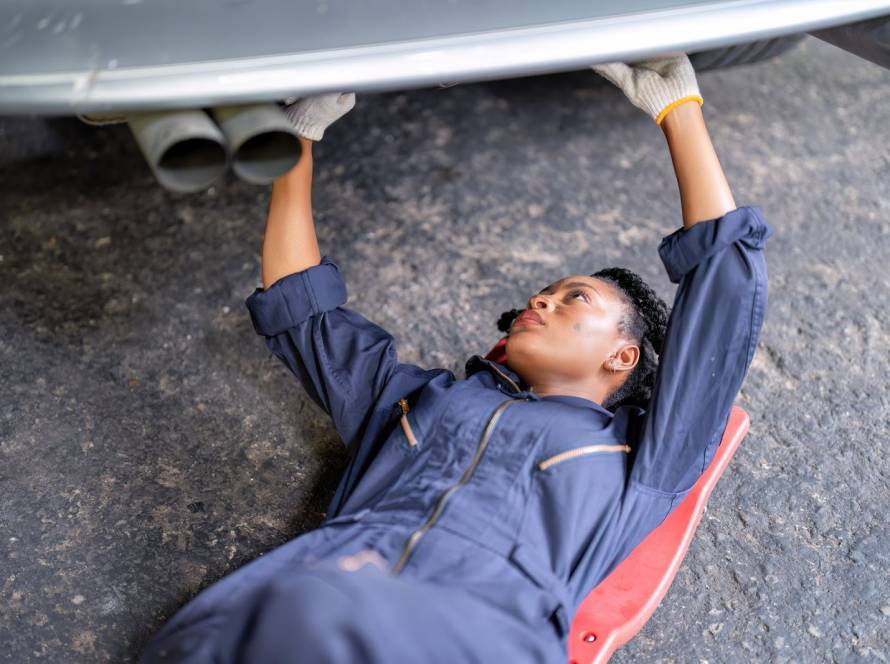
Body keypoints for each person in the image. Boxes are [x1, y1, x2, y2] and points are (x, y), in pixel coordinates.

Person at [139, 54, 772, 663]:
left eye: (573, 298)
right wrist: (296, 137)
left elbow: (725, 291)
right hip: (318, 584)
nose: (541, 301)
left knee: (308, 612)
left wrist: (677, 106)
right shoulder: (420, 400)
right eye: (543, 293)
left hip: (484, 623)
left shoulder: (647, 453)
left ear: (623, 356)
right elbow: (303, 313)